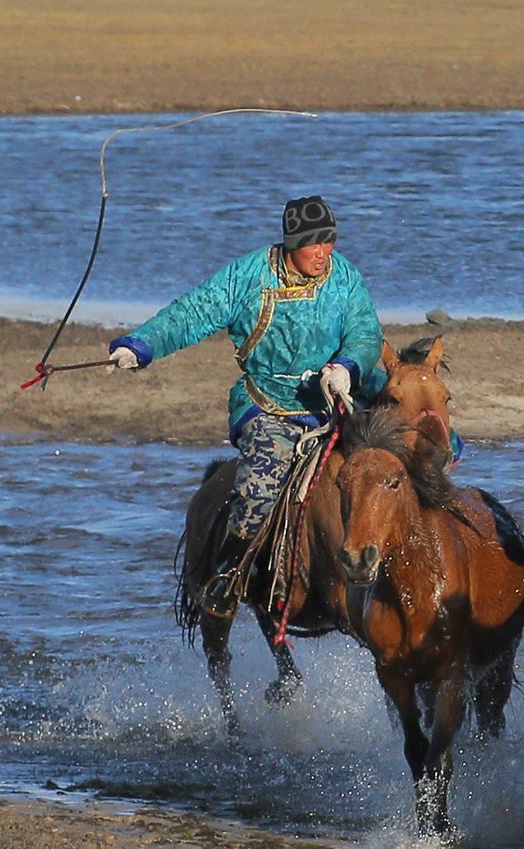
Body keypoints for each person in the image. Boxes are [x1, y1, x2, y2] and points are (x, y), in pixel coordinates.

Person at [107, 196, 385, 617]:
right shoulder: (247, 277)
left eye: (329, 241)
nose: (323, 252)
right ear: (291, 244)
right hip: (268, 404)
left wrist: (348, 367)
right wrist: (140, 345)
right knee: (259, 488)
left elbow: (365, 332)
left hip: (332, 400)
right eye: (314, 244)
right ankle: (228, 574)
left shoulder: (344, 278)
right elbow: (192, 312)